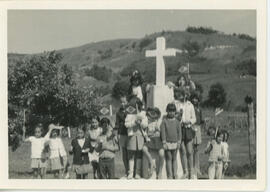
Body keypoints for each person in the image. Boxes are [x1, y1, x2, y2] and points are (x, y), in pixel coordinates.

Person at [174, 88, 196, 179]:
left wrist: (189, 122)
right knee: (182, 151)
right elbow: (175, 116)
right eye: (181, 94)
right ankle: (185, 171)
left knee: (190, 151)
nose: (182, 96)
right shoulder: (176, 104)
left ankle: (191, 171)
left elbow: (194, 118)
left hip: (188, 129)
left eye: (184, 94)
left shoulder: (190, 105)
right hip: (180, 128)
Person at [125, 96, 148, 179]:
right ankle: (130, 172)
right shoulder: (129, 114)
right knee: (131, 154)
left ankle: (137, 173)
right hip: (132, 135)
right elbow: (126, 124)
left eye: (138, 105)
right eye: (134, 105)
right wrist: (134, 122)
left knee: (139, 154)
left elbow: (145, 125)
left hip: (140, 135)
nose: (136, 107)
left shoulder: (143, 114)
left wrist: (141, 121)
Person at [160, 103, 182, 179]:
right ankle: (169, 175)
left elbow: (179, 133)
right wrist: (164, 142)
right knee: (169, 158)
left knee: (174, 158)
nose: (171, 113)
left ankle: (175, 174)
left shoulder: (177, 122)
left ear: (175, 112)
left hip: (175, 143)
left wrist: (179, 142)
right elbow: (163, 132)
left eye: (173, 111)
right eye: (169, 111)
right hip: (167, 143)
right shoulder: (164, 121)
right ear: (167, 111)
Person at [145, 107, 165, 179]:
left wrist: (157, 128)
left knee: (161, 154)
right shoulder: (148, 122)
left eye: (154, 114)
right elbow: (147, 133)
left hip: (158, 140)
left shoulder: (159, 121)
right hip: (151, 140)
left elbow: (160, 130)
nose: (152, 116)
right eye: (151, 115)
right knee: (144, 148)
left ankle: (160, 171)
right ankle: (151, 162)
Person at [115, 94, 129, 177]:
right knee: (124, 153)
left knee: (130, 153)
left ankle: (131, 171)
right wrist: (117, 133)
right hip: (122, 134)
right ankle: (126, 171)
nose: (123, 104)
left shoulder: (131, 110)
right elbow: (117, 124)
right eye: (121, 102)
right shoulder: (118, 112)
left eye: (124, 102)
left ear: (127, 102)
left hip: (130, 134)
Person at [190, 93, 203, 178]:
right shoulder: (190, 107)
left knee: (197, 148)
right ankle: (191, 168)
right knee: (191, 148)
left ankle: (197, 167)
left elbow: (200, 120)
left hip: (198, 127)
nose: (195, 100)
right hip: (191, 127)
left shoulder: (199, 109)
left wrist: (203, 121)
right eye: (193, 98)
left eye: (196, 99)